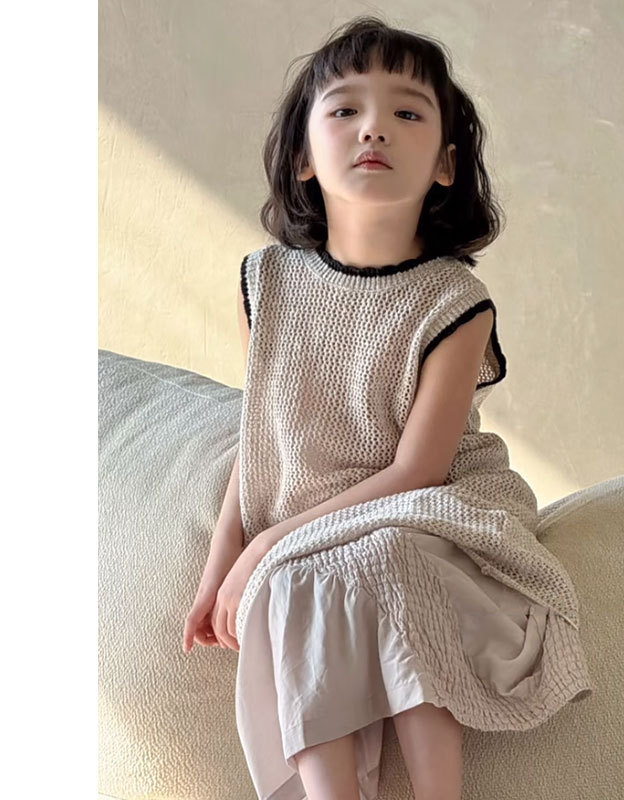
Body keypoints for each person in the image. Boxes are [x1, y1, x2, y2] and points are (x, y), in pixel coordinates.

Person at [183, 14, 594, 800]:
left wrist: (266, 543)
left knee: (383, 555)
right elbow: (261, 434)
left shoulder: (455, 304)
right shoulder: (265, 284)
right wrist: (221, 566)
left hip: (432, 503)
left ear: (445, 164)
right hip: (321, 519)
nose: (374, 127)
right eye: (345, 109)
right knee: (302, 580)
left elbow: (418, 472)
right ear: (303, 156)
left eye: (407, 112)